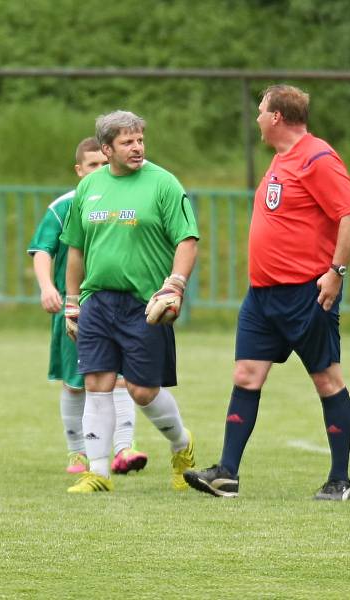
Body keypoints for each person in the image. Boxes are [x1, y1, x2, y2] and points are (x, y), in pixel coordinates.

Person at [184, 84, 350, 501]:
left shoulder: (318, 157)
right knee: (246, 376)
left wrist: (336, 273)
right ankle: (227, 473)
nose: (258, 119)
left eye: (261, 111)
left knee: (327, 380)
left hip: (306, 293)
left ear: (277, 117)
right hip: (262, 297)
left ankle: (340, 481)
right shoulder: (281, 160)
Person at [59, 110, 199, 494]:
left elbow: (187, 239)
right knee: (97, 383)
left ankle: (181, 444)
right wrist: (73, 302)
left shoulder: (164, 184)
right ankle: (100, 473)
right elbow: (74, 248)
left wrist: (175, 285)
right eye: (127, 142)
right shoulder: (89, 188)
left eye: (140, 140)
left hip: (145, 304)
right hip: (98, 301)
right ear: (107, 149)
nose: (137, 147)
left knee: (141, 391)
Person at [27, 136, 148, 476]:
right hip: (76, 308)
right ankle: (77, 452)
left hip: (120, 306)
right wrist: (47, 286)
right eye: (91, 165)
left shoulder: (125, 200)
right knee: (75, 381)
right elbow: (42, 250)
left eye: (102, 163)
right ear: (79, 170)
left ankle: (125, 447)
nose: (99, 170)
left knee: (123, 378)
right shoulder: (65, 205)